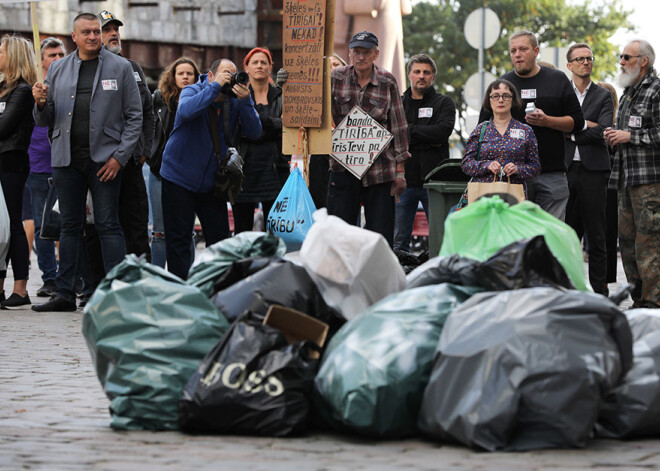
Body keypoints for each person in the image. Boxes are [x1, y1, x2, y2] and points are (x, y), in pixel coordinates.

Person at [31, 12, 143, 312]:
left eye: (97, 31)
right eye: (88, 32)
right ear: (74, 37)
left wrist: (120, 158)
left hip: (106, 159)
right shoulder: (57, 69)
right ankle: (65, 294)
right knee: (69, 226)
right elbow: (45, 119)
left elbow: (135, 117)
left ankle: (115, 292)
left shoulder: (121, 67)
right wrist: (40, 103)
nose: (94, 36)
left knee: (108, 225)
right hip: (67, 159)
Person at [160, 58, 261, 280]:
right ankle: (181, 289)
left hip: (212, 182)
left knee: (219, 239)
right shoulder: (193, 90)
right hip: (178, 177)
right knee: (179, 239)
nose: (229, 79)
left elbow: (254, 132)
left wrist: (246, 101)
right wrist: (214, 88)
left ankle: (214, 287)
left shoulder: (234, 100)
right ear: (211, 76)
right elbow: (185, 111)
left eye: (233, 74)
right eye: (225, 74)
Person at [479, 30, 584, 220]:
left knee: (550, 236)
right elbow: (483, 129)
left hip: (551, 174)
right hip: (511, 176)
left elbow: (577, 122)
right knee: (515, 236)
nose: (517, 54)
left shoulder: (557, 79)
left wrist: (548, 121)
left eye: (523, 49)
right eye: (513, 51)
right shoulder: (501, 85)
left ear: (536, 51)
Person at [328, 31, 410, 246]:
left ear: (376, 54)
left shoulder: (387, 81)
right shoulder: (336, 78)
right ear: (350, 52)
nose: (361, 57)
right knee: (340, 230)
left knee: (380, 234)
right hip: (343, 167)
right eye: (356, 52)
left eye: (366, 52)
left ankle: (378, 277)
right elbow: (314, 106)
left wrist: (400, 172)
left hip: (380, 171)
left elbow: (399, 126)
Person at [604, 39, 660, 308]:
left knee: (649, 241)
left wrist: (630, 135)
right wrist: (614, 137)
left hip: (650, 182)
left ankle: (653, 300)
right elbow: (627, 134)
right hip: (625, 178)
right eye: (621, 56)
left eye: (627, 57)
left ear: (643, 61)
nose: (621, 61)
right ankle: (638, 298)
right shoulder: (627, 93)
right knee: (626, 241)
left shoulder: (657, 90)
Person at [97, 10, 154, 260]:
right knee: (104, 226)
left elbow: (149, 113)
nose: (113, 34)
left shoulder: (134, 69)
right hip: (101, 163)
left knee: (137, 225)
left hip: (131, 161)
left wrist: (144, 151)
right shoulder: (90, 68)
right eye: (106, 30)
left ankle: (142, 283)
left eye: (115, 29)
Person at [563, 43, 614, 296]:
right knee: (568, 233)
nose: (586, 62)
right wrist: (586, 127)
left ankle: (600, 293)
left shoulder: (603, 95)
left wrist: (571, 132)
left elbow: (603, 131)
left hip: (594, 171)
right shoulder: (562, 94)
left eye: (589, 58)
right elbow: (555, 128)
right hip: (566, 170)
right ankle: (570, 291)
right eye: (580, 59)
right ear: (569, 65)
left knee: (597, 236)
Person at [394, 53, 456, 252]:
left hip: (435, 184)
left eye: (426, 72)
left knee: (443, 238)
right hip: (404, 181)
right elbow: (392, 136)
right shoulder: (398, 104)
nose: (422, 76)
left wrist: (408, 131)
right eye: (417, 72)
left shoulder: (445, 103)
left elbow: (441, 133)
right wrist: (427, 137)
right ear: (409, 75)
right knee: (399, 241)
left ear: (433, 77)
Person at [149, 57, 200, 268]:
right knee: (160, 231)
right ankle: (157, 279)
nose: (185, 77)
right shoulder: (159, 100)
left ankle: (187, 279)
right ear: (173, 76)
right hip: (159, 171)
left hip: (188, 175)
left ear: (196, 77)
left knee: (185, 231)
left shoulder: (201, 101)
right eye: (181, 73)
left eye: (190, 73)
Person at [26, 37, 65, 298]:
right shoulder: (33, 87)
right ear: (42, 61)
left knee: (72, 224)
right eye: (52, 55)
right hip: (38, 164)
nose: (57, 59)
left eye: (61, 54)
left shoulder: (72, 83)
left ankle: (71, 278)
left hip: (68, 161)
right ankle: (49, 278)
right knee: (42, 225)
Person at [0, 35, 37, 309]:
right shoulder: (2, 87)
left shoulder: (23, 91)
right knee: (1, 228)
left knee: (13, 224)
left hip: (11, 162)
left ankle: (21, 288)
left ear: (12, 55)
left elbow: (4, 127)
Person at [232, 47, 285, 233]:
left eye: (264, 62)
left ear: (271, 67)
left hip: (275, 169)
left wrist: (257, 124)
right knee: (242, 230)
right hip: (245, 170)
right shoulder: (237, 96)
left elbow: (287, 128)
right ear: (246, 68)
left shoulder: (281, 96)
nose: (259, 66)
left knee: (275, 230)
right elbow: (240, 130)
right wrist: (273, 125)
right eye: (254, 62)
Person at [462, 79, 540, 195]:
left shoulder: (525, 131)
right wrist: (486, 165)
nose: (501, 100)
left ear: (512, 100)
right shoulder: (481, 129)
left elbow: (535, 167)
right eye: (495, 96)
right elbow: (466, 164)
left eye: (506, 96)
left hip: (514, 195)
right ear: (489, 100)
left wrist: (518, 169)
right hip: (483, 196)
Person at [597, 81, 619, 284]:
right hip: (593, 178)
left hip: (610, 182)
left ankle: (606, 279)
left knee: (607, 232)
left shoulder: (617, 124)